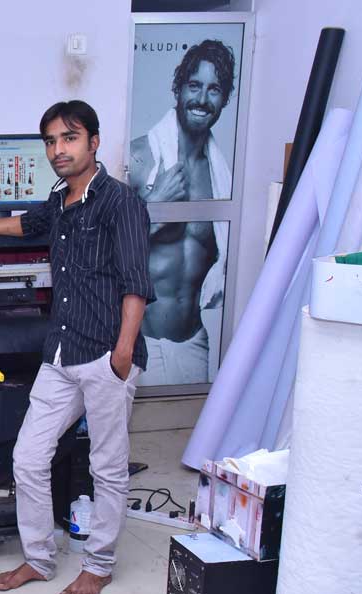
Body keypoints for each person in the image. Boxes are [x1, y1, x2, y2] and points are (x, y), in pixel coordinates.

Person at [0, 100, 154, 594]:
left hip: (105, 353)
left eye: (69, 138)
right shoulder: (59, 199)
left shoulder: (120, 203)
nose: (58, 150)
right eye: (51, 141)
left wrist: (121, 355)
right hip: (61, 352)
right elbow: (27, 225)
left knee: (107, 467)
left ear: (94, 142)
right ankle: (38, 559)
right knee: (29, 457)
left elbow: (136, 283)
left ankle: (98, 565)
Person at [129, 40, 235, 385]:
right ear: (178, 89)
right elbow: (102, 251)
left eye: (214, 89)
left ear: (224, 99)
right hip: (142, 341)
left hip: (194, 341)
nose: (202, 99)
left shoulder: (222, 179)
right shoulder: (140, 161)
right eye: (194, 85)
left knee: (195, 422)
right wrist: (153, 210)